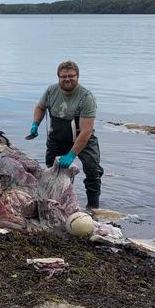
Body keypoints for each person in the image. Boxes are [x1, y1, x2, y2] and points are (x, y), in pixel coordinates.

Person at [29, 60, 103, 209]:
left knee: (93, 172)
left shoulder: (86, 97)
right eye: (63, 76)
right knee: (51, 173)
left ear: (77, 76)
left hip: (83, 139)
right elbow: (40, 107)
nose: (67, 79)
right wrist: (35, 123)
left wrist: (71, 155)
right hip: (57, 138)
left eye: (71, 76)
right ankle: (53, 206)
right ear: (58, 77)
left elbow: (86, 131)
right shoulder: (51, 91)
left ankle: (93, 208)